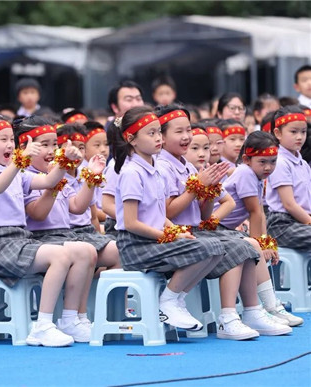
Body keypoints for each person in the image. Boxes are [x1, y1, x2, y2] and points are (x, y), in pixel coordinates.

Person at [155, 105, 290, 339]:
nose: (187, 136)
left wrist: (205, 192)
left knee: (245, 245)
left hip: (196, 230)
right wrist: (197, 186)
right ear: (161, 136)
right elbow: (167, 211)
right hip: (174, 234)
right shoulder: (163, 167)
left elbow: (205, 216)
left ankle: (252, 310)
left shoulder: (186, 166)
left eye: (189, 130)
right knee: (237, 246)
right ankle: (228, 317)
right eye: (179, 132)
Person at [0, 113, 94, 347]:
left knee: (85, 251)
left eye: (11, 140)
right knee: (60, 255)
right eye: (2, 139)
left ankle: (70, 319)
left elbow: (48, 182)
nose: (9, 145)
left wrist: (65, 161)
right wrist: (18, 162)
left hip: (20, 239)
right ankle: (43, 325)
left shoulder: (18, 171)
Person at [112, 106, 226, 331]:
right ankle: (168, 301)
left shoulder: (154, 170)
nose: (157, 138)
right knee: (203, 249)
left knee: (215, 247)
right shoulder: (132, 173)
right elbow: (131, 222)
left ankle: (176, 299)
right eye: (151, 133)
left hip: (154, 239)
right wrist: (168, 235)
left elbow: (158, 214)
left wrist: (174, 230)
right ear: (131, 139)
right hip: (135, 244)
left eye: (158, 132)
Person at [18, 116, 120, 333]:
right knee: (87, 252)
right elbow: (37, 213)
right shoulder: (26, 176)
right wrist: (54, 181)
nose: (51, 150)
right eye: (44, 145)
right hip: (43, 238)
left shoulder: (55, 171)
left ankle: (109, 314)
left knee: (121, 251)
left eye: (54, 144)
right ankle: (73, 316)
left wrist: (92, 178)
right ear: (25, 147)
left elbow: (76, 206)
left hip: (66, 236)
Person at [216, 131, 303, 327]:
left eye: (273, 162)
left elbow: (260, 214)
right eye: (263, 162)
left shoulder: (255, 174)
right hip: (217, 228)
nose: (268, 167)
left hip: (228, 230)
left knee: (256, 246)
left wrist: (266, 242)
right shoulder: (245, 173)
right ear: (247, 159)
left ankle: (272, 306)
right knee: (254, 247)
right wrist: (261, 245)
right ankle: (270, 306)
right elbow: (254, 212)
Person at [265, 105, 311, 249]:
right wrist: (309, 221)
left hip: (301, 220)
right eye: (293, 132)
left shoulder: (303, 163)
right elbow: (289, 204)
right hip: (283, 225)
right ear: (278, 133)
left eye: (303, 132)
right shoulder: (279, 162)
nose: (300, 137)